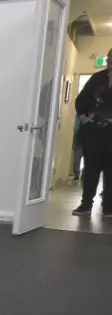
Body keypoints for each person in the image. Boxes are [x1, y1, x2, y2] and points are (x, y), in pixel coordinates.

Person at [73, 48, 112, 218]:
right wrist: (82, 115)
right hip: (93, 132)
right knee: (91, 169)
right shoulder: (97, 78)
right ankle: (86, 204)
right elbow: (81, 99)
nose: (110, 61)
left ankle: (109, 206)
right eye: (110, 57)